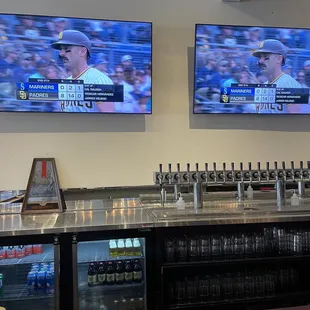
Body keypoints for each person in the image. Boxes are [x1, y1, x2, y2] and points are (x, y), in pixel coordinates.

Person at [51, 30, 114, 112]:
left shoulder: (98, 80)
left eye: (66, 49)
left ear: (82, 51)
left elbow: (109, 120)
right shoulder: (65, 84)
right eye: (61, 50)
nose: (61, 54)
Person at [251, 39, 303, 114]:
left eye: (265, 56)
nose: (260, 61)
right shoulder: (262, 88)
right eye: (260, 57)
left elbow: (296, 121)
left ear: (279, 59)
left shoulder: (289, 84)